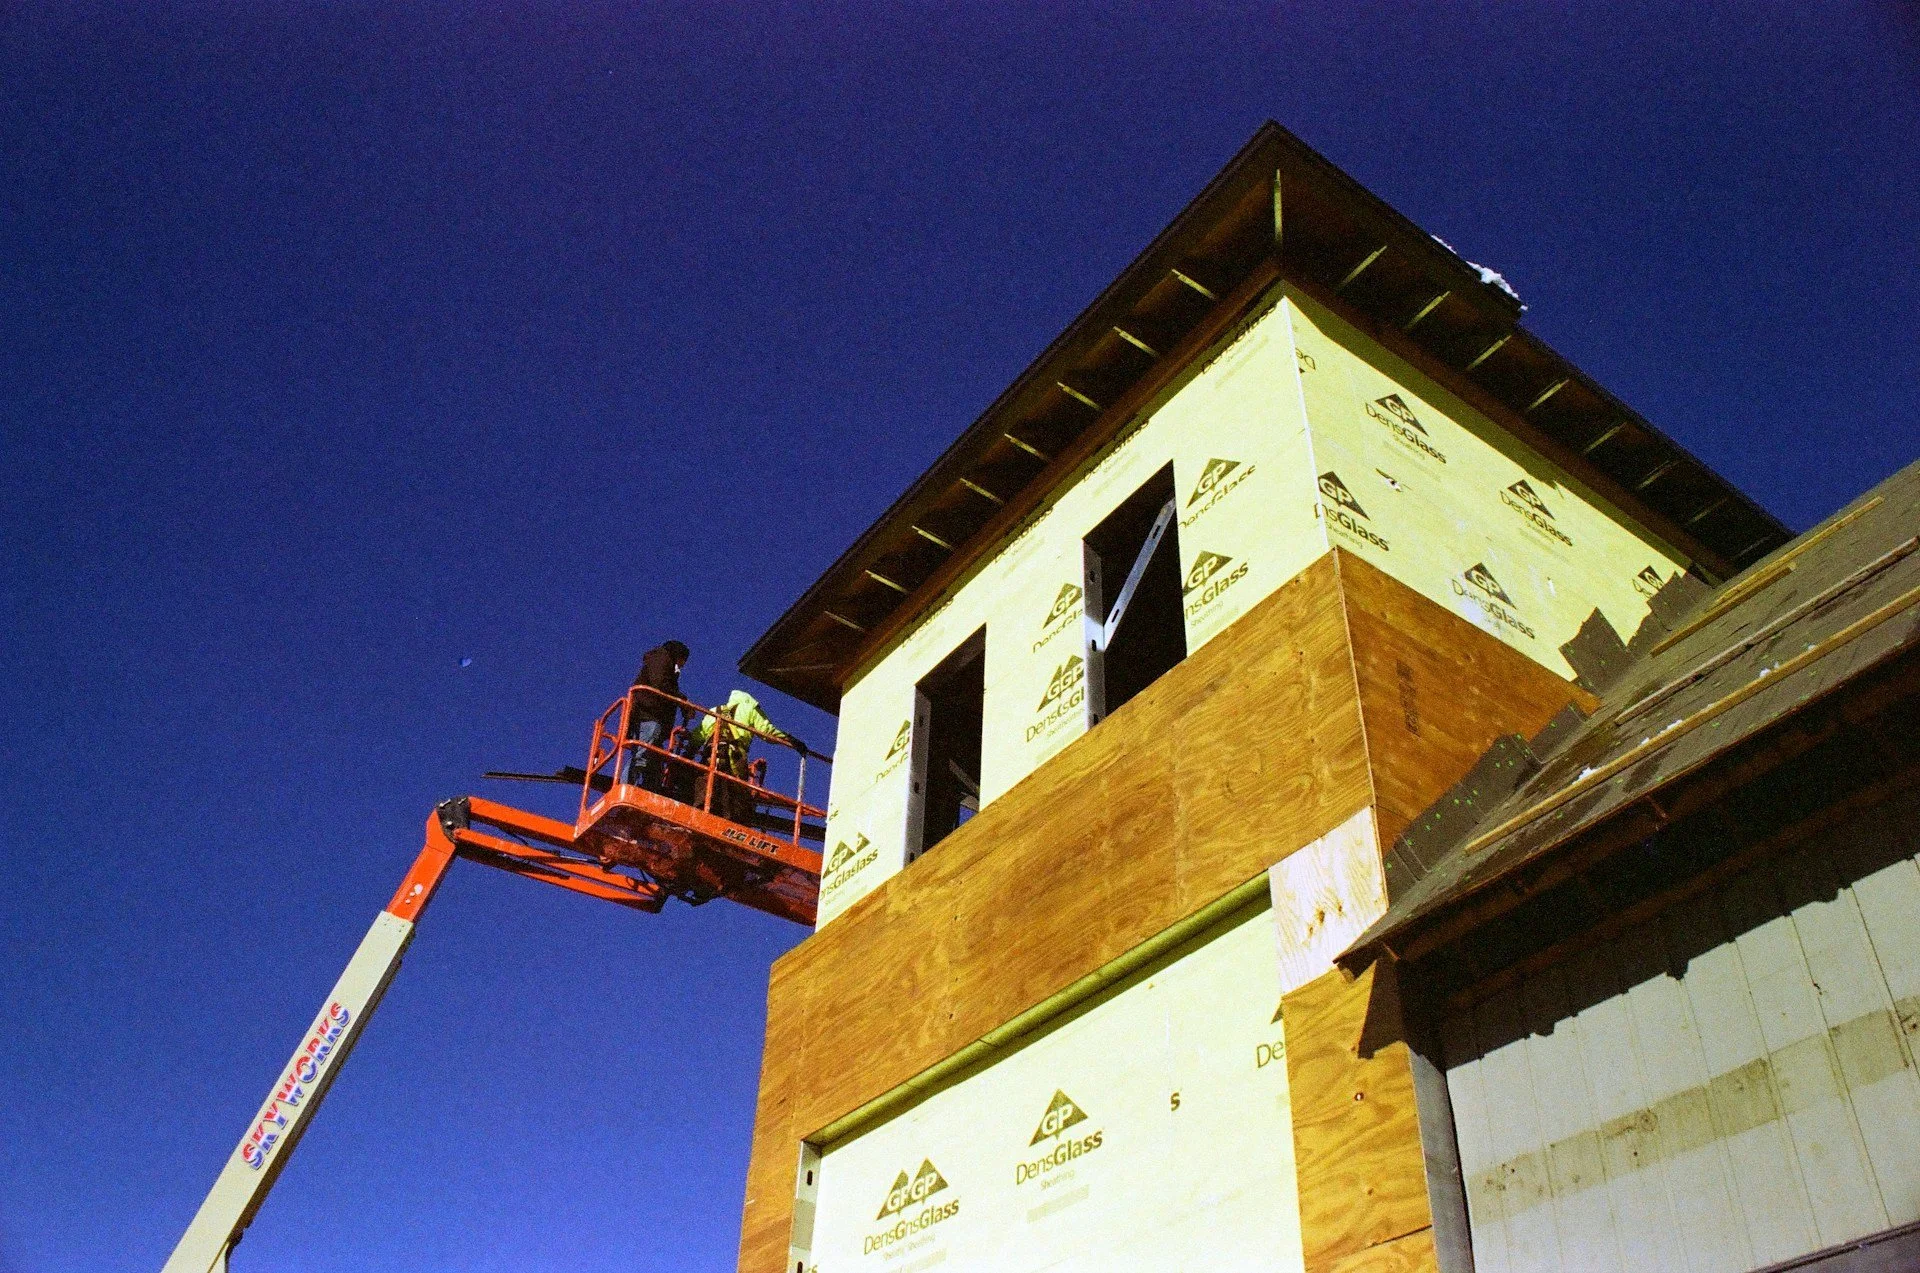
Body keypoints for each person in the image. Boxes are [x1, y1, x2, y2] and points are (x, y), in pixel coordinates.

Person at [687, 689, 808, 823]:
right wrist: (790, 740)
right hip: (735, 757)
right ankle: (731, 825)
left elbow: (698, 736)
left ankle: (700, 817)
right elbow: (766, 731)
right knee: (736, 795)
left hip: (710, 755)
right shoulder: (749, 708)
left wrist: (687, 756)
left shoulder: (714, 710)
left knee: (707, 784)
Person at [625, 640, 689, 791]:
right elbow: (659, 684)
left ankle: (648, 790)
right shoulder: (661, 658)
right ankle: (627, 787)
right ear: (678, 655)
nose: (682, 665)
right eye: (683, 661)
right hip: (648, 715)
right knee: (642, 754)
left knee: (654, 761)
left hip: (654, 718)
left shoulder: (665, 664)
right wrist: (681, 700)